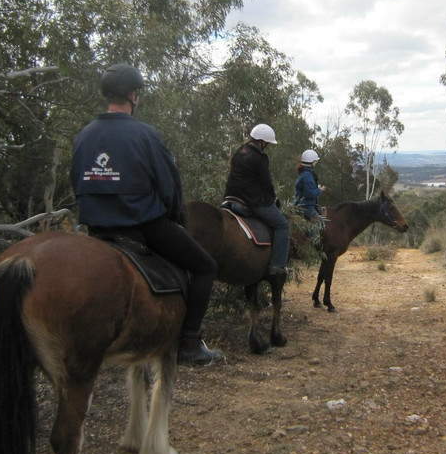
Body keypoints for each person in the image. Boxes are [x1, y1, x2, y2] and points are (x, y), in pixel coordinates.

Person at [70, 63, 223, 366]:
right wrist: (174, 217)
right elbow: (169, 186)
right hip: (143, 227)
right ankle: (189, 344)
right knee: (206, 267)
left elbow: (77, 181)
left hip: (98, 230)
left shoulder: (84, 136)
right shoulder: (145, 135)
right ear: (133, 95)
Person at [224, 123, 290, 276]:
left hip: (230, 197)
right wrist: (271, 199)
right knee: (282, 225)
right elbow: (266, 183)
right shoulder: (259, 157)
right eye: (267, 144)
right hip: (251, 201)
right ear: (263, 141)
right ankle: (277, 266)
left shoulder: (240, 151)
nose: (267, 146)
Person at [293, 149, 326, 220]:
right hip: (306, 207)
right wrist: (320, 190)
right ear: (312, 163)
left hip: (301, 205)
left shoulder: (304, 174)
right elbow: (310, 194)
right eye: (315, 162)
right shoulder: (307, 176)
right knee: (321, 222)